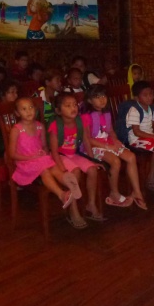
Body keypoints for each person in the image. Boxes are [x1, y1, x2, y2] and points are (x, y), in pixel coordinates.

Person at [7, 98, 81, 212]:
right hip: (25, 162)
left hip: (40, 159)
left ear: (35, 109)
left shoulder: (40, 126)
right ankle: (61, 194)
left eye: (31, 107)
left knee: (53, 167)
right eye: (24, 109)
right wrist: (31, 157)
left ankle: (71, 186)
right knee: (44, 170)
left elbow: (45, 146)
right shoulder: (16, 130)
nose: (28, 111)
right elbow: (12, 154)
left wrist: (44, 152)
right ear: (17, 113)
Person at [83, 85, 146, 210]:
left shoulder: (106, 113)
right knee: (115, 161)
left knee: (131, 157)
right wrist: (108, 146)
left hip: (108, 142)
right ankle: (114, 193)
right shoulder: (86, 116)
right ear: (89, 100)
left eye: (103, 96)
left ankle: (137, 192)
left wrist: (116, 141)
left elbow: (110, 131)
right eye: (97, 97)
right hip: (94, 146)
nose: (102, 99)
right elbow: (88, 139)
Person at [48, 93, 102, 228]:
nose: (73, 108)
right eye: (67, 106)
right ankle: (73, 210)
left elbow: (86, 141)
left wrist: (92, 159)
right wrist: (62, 169)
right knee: (75, 172)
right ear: (58, 111)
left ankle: (91, 204)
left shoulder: (80, 121)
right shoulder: (55, 126)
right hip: (60, 156)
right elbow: (54, 151)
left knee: (92, 169)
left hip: (73, 154)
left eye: (74, 105)